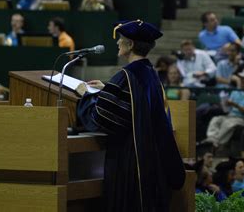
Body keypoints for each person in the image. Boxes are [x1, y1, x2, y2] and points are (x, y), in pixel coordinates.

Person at [76, 19, 186, 211]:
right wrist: (106, 89)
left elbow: (103, 118)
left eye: (121, 39)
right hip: (153, 159)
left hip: (131, 161)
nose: (118, 42)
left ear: (131, 44)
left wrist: (85, 96)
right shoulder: (150, 73)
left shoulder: (125, 76)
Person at [206, 70, 244, 147]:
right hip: (230, 115)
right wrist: (225, 104)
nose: (241, 80)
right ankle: (211, 140)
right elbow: (227, 109)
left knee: (228, 124)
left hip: (243, 119)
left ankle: (216, 144)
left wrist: (235, 105)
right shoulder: (235, 92)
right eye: (241, 78)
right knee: (216, 119)